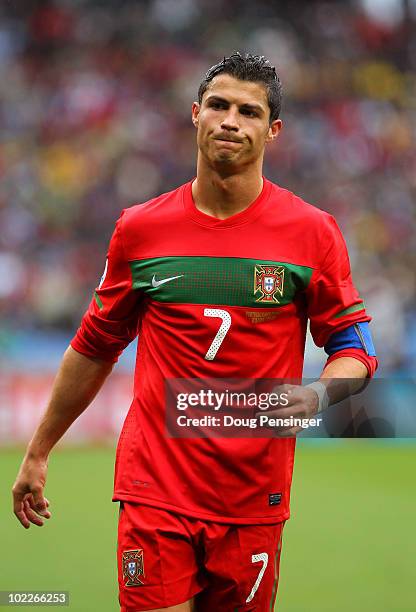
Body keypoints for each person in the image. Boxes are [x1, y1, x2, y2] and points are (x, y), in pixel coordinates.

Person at [13, 53, 377, 612]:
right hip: (154, 490)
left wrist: (318, 393)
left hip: (254, 496)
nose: (231, 120)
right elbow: (95, 346)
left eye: (249, 111)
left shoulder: (312, 233)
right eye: (219, 105)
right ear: (195, 115)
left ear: (272, 130)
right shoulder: (141, 229)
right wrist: (38, 451)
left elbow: (354, 349)